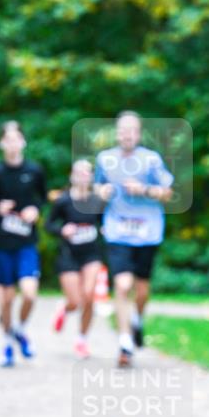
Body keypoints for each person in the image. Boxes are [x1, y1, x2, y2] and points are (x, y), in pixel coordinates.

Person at [94, 111, 174, 368]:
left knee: (141, 290)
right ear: (117, 133)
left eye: (131, 130)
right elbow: (97, 186)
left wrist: (145, 190)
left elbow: (168, 193)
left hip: (147, 231)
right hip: (117, 230)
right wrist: (101, 191)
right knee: (122, 285)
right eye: (122, 130)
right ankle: (125, 342)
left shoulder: (151, 160)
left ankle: (137, 317)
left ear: (138, 134)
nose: (126, 135)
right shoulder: (105, 159)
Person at [0, 121, 47, 367]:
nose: (12, 144)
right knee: (7, 299)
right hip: (2, 244)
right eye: (7, 139)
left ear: (23, 142)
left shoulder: (34, 170)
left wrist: (35, 210)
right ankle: (8, 344)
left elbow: (42, 198)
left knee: (30, 294)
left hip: (26, 243)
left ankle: (20, 329)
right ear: (1, 143)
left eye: (16, 139)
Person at [46, 159, 107, 359]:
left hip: (91, 254)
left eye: (87, 172)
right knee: (76, 301)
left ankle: (82, 340)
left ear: (91, 177)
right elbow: (48, 225)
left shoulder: (96, 201)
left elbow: (103, 221)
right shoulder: (63, 200)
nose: (83, 175)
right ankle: (64, 308)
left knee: (89, 297)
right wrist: (62, 230)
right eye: (79, 172)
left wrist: (105, 228)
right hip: (69, 256)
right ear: (72, 176)